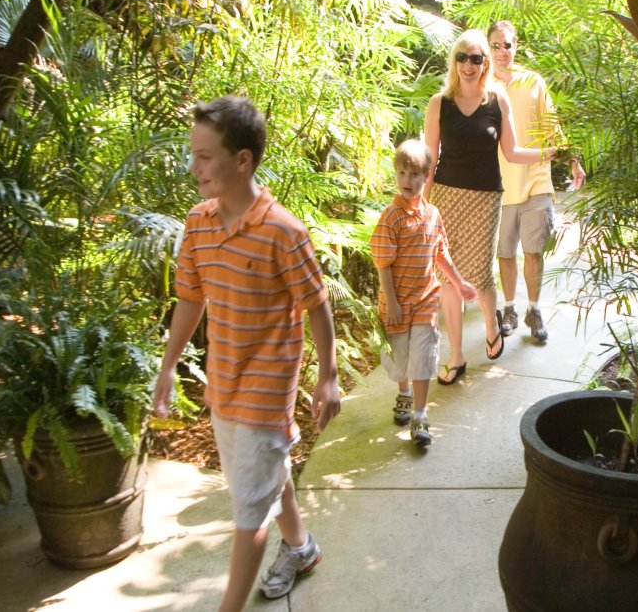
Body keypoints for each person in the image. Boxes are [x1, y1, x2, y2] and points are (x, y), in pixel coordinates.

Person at [153, 95, 341, 611]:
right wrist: (169, 366)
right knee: (261, 478)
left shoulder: (283, 231)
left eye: (205, 156)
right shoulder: (197, 224)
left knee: (249, 513)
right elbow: (191, 298)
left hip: (266, 391)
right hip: (224, 384)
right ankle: (301, 548)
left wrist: (328, 377)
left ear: (242, 160)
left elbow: (318, 306)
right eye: (193, 154)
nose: (194, 167)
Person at [423, 29, 561, 385]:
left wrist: (548, 153)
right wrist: (421, 205)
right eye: (462, 58)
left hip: (485, 197)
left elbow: (512, 151)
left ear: (485, 63)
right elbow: (429, 158)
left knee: (481, 273)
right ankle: (455, 356)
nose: (469, 65)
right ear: (454, 61)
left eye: (476, 58)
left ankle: (491, 325)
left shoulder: (497, 101)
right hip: (447, 197)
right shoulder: (439, 103)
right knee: (448, 279)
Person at [371, 139, 477, 446]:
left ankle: (419, 414)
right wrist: (391, 301)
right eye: (403, 173)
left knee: (424, 357)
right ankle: (403, 392)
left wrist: (458, 283)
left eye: (415, 174)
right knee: (400, 360)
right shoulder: (391, 217)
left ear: (426, 176)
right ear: (396, 174)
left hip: (426, 301)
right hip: (397, 303)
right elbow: (383, 263)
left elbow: (440, 253)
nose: (408, 180)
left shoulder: (433, 215)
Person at [488, 20, 586, 342]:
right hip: (499, 184)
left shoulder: (534, 82)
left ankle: (534, 309)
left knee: (533, 250)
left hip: (536, 180)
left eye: (508, 45)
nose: (503, 52)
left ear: (516, 46)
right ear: (489, 49)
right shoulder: (483, 85)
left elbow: (551, 127)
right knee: (505, 253)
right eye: (496, 46)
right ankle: (510, 308)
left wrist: (573, 160)